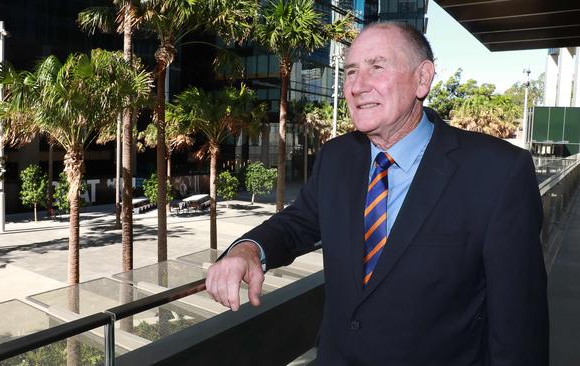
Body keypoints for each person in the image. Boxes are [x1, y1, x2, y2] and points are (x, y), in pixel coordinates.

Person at [205, 21, 548, 365]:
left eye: (377, 67)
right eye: (352, 71)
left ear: (423, 78)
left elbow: (519, 326)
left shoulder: (497, 171)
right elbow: (297, 223)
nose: (357, 86)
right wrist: (249, 249)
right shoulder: (336, 157)